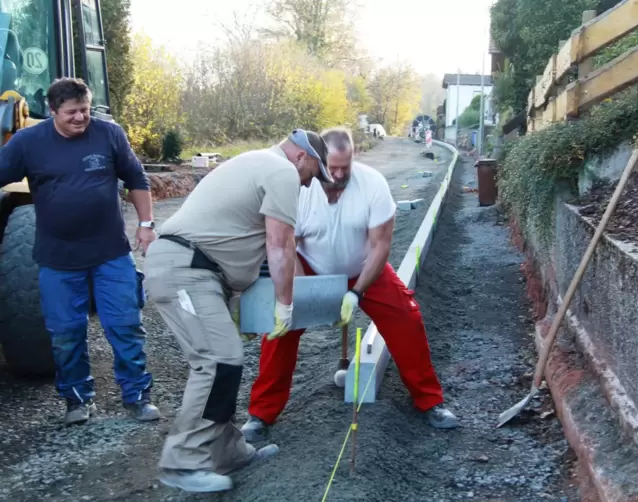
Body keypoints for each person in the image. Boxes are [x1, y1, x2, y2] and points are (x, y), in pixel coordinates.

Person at [143, 129, 334, 493]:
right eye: (312, 174)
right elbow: (280, 246)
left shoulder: (256, 162)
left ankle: (228, 451)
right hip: (186, 269)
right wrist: (285, 305)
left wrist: (236, 304)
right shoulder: (281, 173)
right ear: (301, 157)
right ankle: (182, 461)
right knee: (218, 361)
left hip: (199, 271)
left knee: (227, 361)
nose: (309, 184)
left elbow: (234, 237)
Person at [242, 127, 458, 443]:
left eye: (346, 166)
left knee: (406, 317)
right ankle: (261, 414)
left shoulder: (373, 185)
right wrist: (308, 296)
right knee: (280, 329)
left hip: (364, 270)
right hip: (310, 268)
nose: (340, 174)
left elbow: (380, 246)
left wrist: (356, 293)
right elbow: (288, 246)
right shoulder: (298, 190)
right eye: (333, 167)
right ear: (319, 161)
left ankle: (430, 401)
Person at [0, 77, 160, 426]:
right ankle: (77, 400)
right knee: (65, 335)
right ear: (53, 111)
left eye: (85, 110)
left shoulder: (109, 134)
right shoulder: (29, 141)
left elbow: (137, 178)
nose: (80, 118)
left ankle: (137, 396)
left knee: (126, 326)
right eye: (71, 112)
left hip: (111, 254)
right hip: (58, 260)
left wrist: (146, 225)